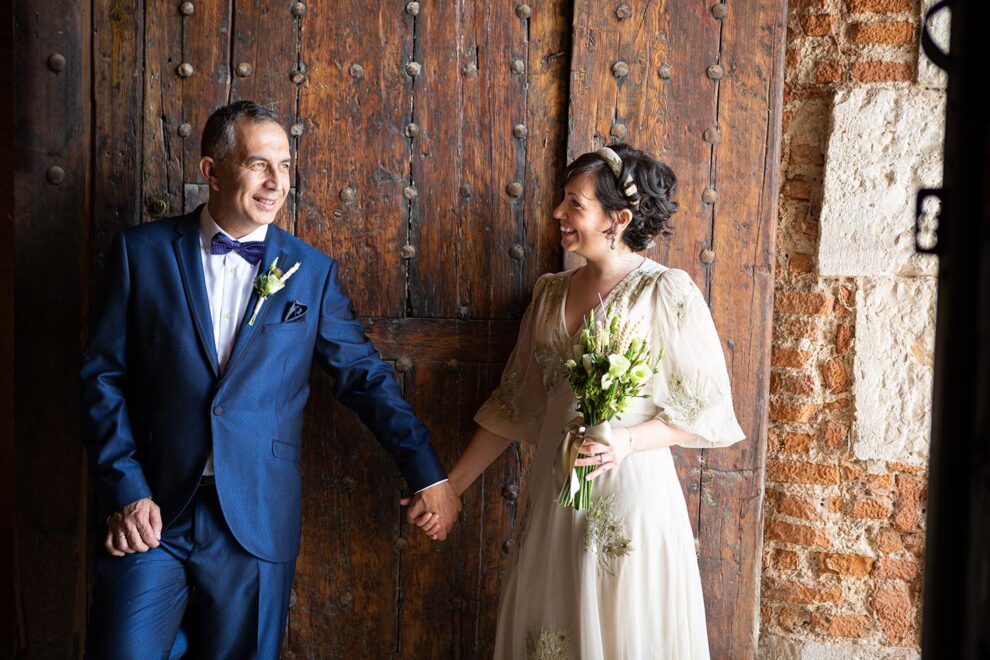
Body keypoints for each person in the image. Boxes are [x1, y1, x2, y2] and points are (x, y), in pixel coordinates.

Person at [80, 100, 460, 658]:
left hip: (256, 517)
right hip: (151, 512)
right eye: (258, 164)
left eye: (284, 166)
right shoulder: (141, 253)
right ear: (211, 171)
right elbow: (102, 378)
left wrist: (427, 473)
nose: (276, 182)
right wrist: (127, 489)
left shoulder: (311, 272)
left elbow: (364, 377)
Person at [414, 143, 746, 658]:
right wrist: (451, 488)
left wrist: (626, 441)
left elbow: (704, 409)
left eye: (574, 203)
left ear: (619, 219)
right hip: (554, 496)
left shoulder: (666, 291)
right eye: (562, 200)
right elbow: (514, 405)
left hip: (627, 496)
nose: (557, 213)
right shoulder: (549, 292)